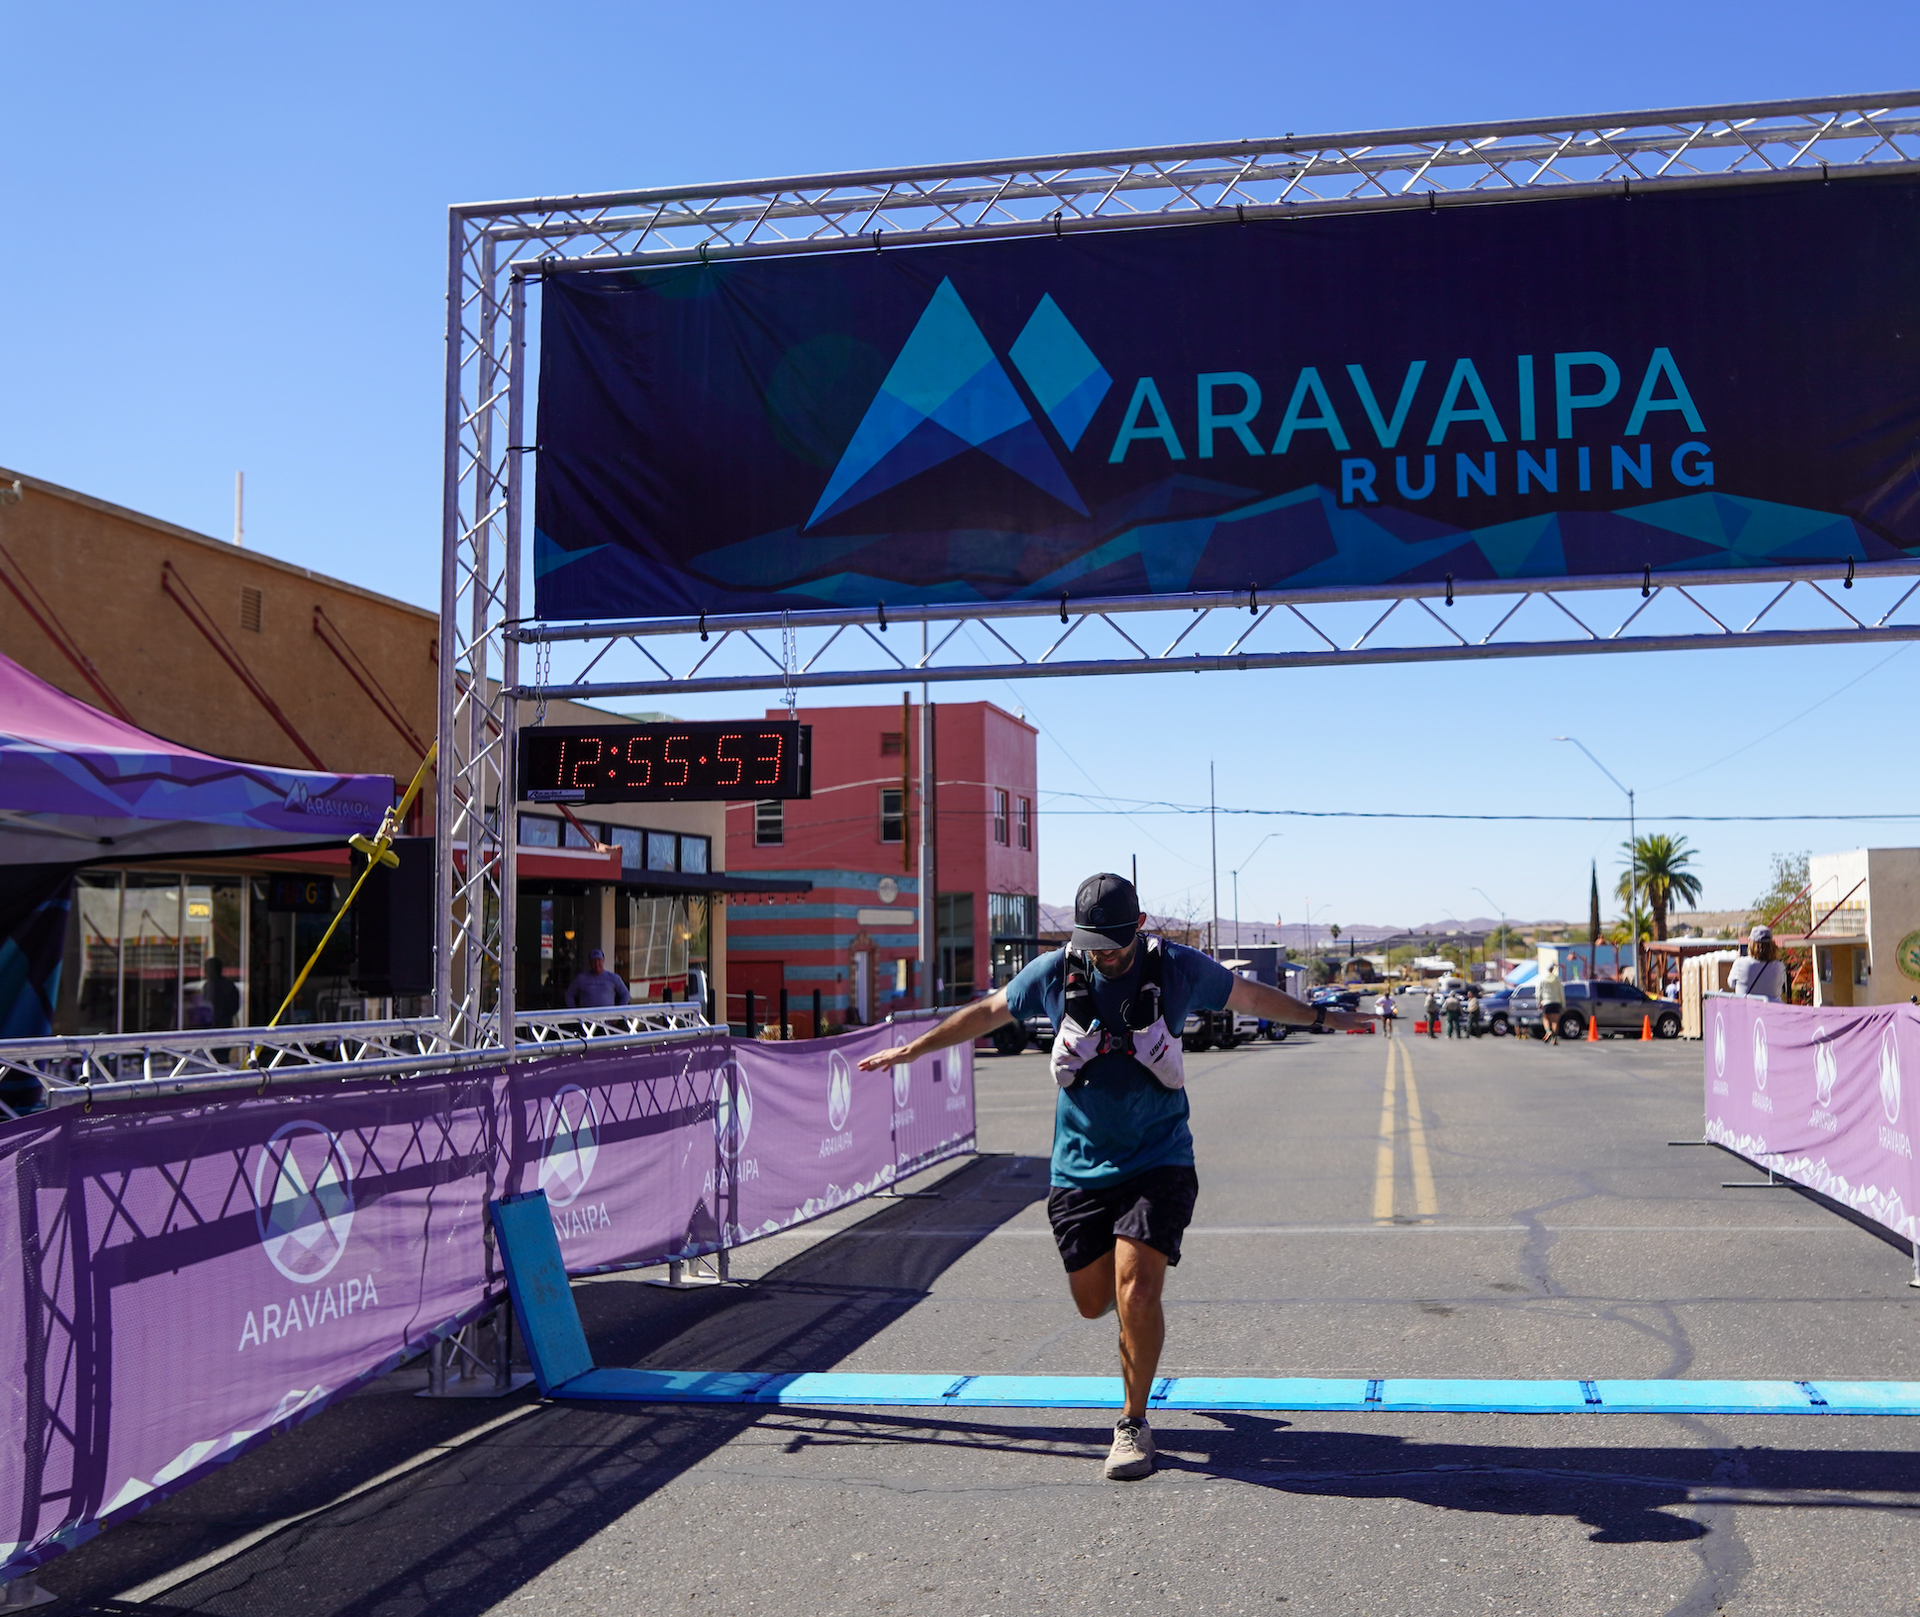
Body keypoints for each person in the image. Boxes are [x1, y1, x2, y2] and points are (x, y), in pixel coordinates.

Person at [857, 872, 1371, 1481]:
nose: (1102, 953)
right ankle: (1130, 1344)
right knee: (1093, 1302)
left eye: (1113, 943)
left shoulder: (1177, 968)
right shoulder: (1056, 972)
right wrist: (913, 1050)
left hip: (1159, 1158)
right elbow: (990, 1011)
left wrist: (1316, 1016)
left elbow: (1252, 999)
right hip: (1079, 1166)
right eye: (1092, 942)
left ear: (1140, 927)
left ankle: (1132, 1422)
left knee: (1138, 1288)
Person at [1728, 925, 1788, 1002]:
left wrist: (1737, 960)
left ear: (1751, 944)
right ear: (1772, 945)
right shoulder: (1779, 966)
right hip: (1772, 1010)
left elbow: (1731, 984)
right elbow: (1781, 986)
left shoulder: (1740, 963)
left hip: (1747, 1010)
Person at [564, 948, 630, 1009]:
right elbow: (569, 995)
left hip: (607, 1019)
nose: (597, 963)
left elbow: (625, 994)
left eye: (599, 960)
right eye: (594, 961)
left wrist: (617, 1013)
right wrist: (575, 1013)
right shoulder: (581, 978)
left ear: (603, 961)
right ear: (590, 963)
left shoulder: (613, 977)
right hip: (587, 1019)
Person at [201, 957, 241, 1029]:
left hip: (224, 1025)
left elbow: (234, 1005)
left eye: (207, 969)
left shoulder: (228, 986)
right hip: (210, 1025)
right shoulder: (207, 986)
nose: (205, 972)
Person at [1537, 956, 1565, 1043]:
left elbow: (1538, 991)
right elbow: (1561, 992)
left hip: (1546, 1001)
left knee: (1545, 1019)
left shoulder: (1542, 979)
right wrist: (1563, 1003)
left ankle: (1548, 1031)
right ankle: (1554, 1039)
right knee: (1555, 1021)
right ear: (1553, 969)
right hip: (1556, 1002)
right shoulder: (1557, 979)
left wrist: (1539, 1001)